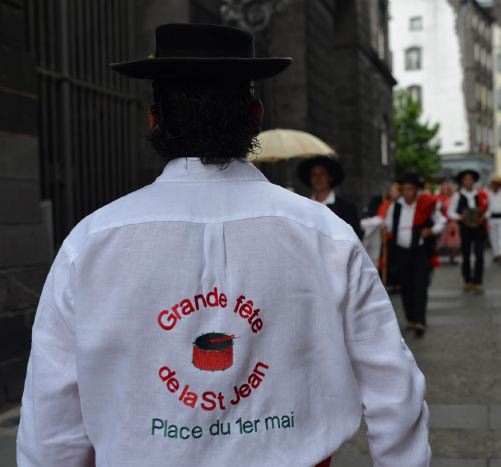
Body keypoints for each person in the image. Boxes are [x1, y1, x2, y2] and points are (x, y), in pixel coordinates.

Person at [17, 24, 430, 467]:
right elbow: (394, 386)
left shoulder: (90, 244)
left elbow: (51, 424)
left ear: (154, 119)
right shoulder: (324, 234)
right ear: (256, 115)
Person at [385, 173, 446, 337]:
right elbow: (389, 225)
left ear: (416, 190)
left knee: (420, 285)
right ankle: (411, 318)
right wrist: (385, 229)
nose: (406, 193)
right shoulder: (395, 206)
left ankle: (420, 320)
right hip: (401, 251)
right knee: (405, 286)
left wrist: (431, 230)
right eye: (403, 189)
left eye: (410, 189)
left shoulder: (425, 205)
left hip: (419, 251)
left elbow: (441, 221)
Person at [298, 155, 362, 238]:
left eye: (322, 173)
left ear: (330, 177)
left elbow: (355, 239)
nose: (318, 178)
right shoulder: (303, 208)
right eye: (314, 174)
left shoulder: (347, 209)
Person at [448, 169, 488, 294]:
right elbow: (450, 212)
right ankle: (467, 280)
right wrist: (460, 217)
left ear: (474, 181)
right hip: (465, 228)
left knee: (479, 254)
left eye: (470, 179)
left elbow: (488, 209)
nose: (468, 181)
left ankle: (478, 282)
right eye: (465, 179)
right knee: (466, 255)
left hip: (479, 228)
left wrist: (483, 217)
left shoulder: (481, 194)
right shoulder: (457, 195)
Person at [436, 180, 461, 263]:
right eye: (443, 187)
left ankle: (452, 256)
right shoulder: (439, 198)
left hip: (450, 222)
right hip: (442, 221)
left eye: (447, 188)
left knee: (452, 240)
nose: (445, 189)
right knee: (441, 240)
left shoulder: (452, 197)